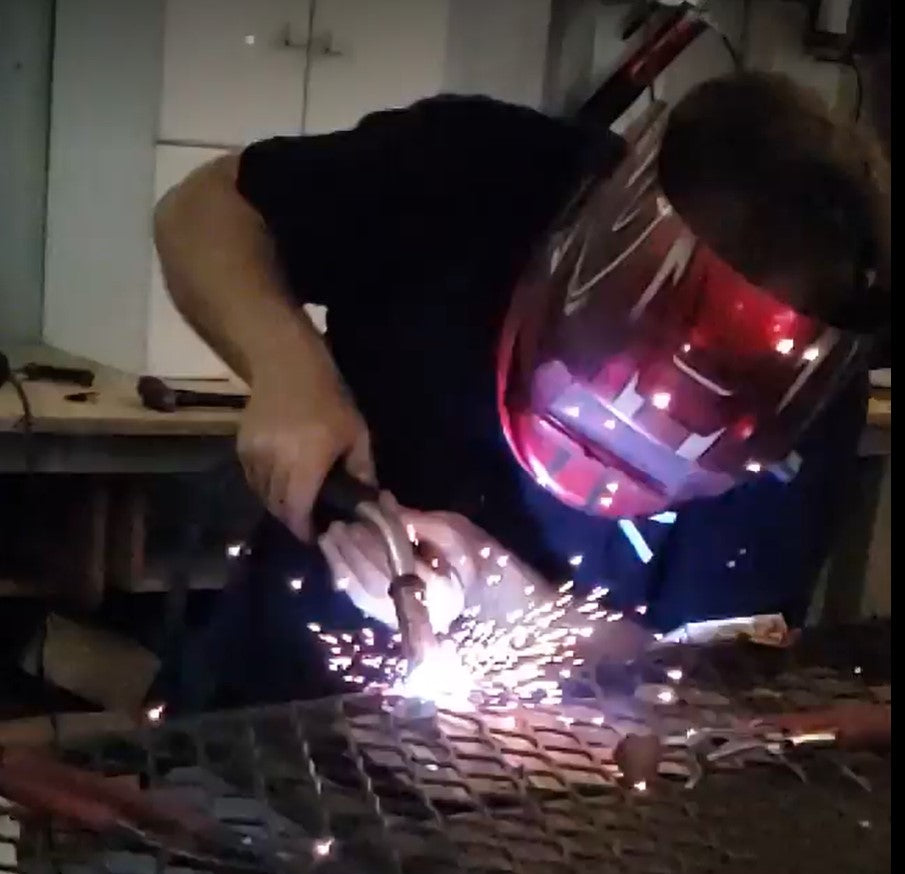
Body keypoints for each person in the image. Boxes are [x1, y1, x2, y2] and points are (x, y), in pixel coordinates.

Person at [154, 72, 889, 709]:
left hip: (541, 815)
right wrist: (289, 369)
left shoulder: (808, 419)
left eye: (711, 396)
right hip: (259, 722)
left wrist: (495, 593)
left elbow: (699, 695)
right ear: (606, 225)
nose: (639, 408)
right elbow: (208, 207)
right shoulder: (478, 173)